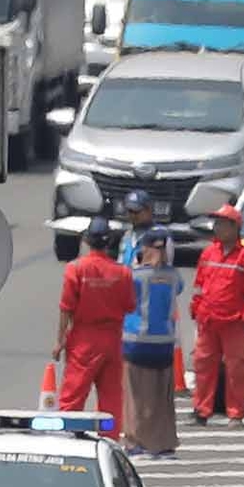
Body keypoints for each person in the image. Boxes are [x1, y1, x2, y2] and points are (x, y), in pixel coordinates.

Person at [118, 196, 183, 457]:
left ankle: (135, 440)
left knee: (135, 396)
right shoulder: (173, 276)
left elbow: (123, 292)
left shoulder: (134, 276)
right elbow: (178, 288)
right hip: (164, 343)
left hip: (137, 342)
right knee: (162, 397)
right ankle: (163, 442)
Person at [51, 234, 136, 434]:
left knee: (72, 397)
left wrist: (60, 341)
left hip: (84, 340)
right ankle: (110, 439)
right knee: (111, 398)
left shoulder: (76, 268)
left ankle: (67, 437)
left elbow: (66, 307)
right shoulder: (123, 272)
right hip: (112, 340)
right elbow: (129, 305)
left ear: (87, 241)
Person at [189, 203, 244, 423]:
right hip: (208, 320)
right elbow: (199, 284)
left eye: (222, 224)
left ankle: (235, 413)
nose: (217, 228)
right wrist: (196, 307)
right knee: (203, 366)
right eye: (216, 223)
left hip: (233, 322)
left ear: (235, 227)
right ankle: (201, 410)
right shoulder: (209, 253)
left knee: (235, 369)